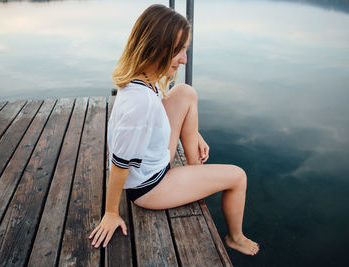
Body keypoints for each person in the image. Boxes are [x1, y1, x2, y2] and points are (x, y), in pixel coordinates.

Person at [88, 4, 259, 256]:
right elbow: (120, 164)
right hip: (150, 187)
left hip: (151, 159)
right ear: (156, 48)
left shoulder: (142, 78)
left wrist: (193, 132)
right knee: (238, 177)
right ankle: (235, 237)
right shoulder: (140, 104)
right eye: (178, 51)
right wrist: (111, 213)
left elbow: (156, 116)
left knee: (185, 92)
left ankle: (195, 177)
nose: (184, 59)